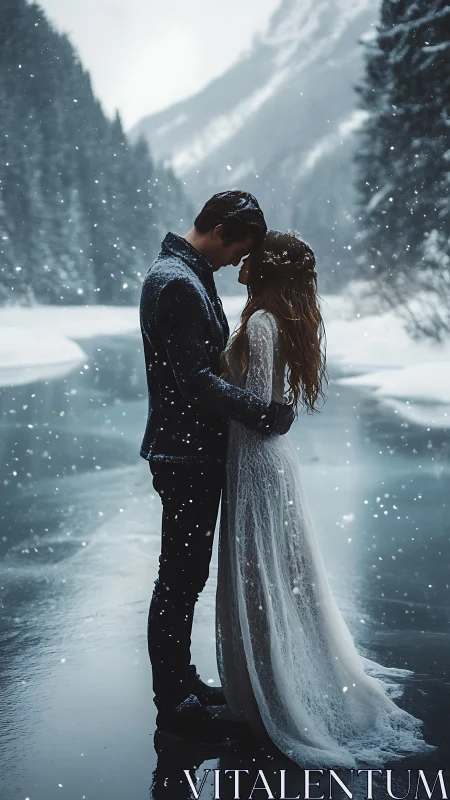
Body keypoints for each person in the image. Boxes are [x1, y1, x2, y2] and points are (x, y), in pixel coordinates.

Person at [216, 230, 437, 767]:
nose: (242, 264)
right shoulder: (277, 318)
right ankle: (276, 679)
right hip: (264, 459)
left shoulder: (264, 324)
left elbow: (256, 406)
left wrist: (208, 389)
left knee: (263, 576)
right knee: (273, 574)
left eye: (251, 259)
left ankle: (277, 691)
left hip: (257, 462)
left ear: (266, 269)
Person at [139, 192, 295, 745]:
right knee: (179, 580)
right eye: (240, 249)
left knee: (184, 577)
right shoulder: (178, 282)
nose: (237, 263)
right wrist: (264, 413)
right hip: (185, 454)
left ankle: (181, 685)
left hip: (186, 450)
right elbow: (196, 380)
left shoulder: (179, 271)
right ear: (223, 229)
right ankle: (176, 703)